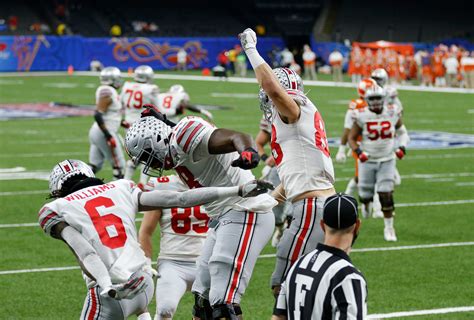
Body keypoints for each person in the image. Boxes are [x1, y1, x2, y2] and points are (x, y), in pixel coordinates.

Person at [39, 159, 268, 319]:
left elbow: (86, 254)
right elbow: (180, 198)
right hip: (144, 282)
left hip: (110, 294)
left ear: (58, 190)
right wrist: (237, 190)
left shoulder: (57, 208)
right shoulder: (121, 187)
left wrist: (107, 285)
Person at [125, 113, 277, 319]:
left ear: (160, 140)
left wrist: (248, 151)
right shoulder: (174, 144)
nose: (150, 164)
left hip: (246, 210)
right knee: (202, 301)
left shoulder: (186, 135)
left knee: (223, 303)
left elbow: (236, 136)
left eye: (148, 155)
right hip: (223, 217)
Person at [239, 28, 336, 298]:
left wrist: (251, 50)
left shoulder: (294, 109)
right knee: (311, 287)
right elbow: (298, 174)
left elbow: (271, 86)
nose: (266, 95)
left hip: (311, 208)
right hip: (319, 202)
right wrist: (268, 201)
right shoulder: (302, 116)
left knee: (283, 285)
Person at [272, 193, 367, 319]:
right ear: (357, 225)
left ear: (322, 225)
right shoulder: (348, 276)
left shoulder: (297, 265)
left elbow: (277, 317)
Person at [139, 175, 209, 320]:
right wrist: (145, 264)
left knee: (213, 312)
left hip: (207, 263)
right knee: (165, 309)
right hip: (173, 263)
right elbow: (145, 232)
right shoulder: (162, 186)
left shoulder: (214, 181)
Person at [348, 85, 409, 241]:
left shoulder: (392, 112)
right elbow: (352, 138)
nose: (375, 102)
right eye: (372, 99)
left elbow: (403, 133)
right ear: (367, 100)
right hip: (367, 160)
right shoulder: (361, 115)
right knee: (365, 195)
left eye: (378, 98)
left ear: (383, 99)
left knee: (386, 194)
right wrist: (359, 152)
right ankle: (366, 204)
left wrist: (402, 147)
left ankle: (389, 228)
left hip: (387, 159)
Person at [255, 115, 293, 247]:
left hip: (300, 166)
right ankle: (281, 226)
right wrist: (266, 158)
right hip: (279, 168)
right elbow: (258, 143)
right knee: (275, 210)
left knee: (299, 207)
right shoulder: (271, 117)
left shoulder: (303, 114)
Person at [120, 65, 160, 189]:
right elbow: (157, 109)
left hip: (128, 124)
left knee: (136, 155)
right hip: (143, 126)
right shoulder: (151, 88)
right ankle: (142, 182)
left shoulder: (127, 86)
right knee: (150, 153)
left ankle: (126, 182)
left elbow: (121, 103)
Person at [335, 78, 377, 197]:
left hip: (373, 143)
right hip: (361, 145)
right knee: (362, 176)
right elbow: (348, 127)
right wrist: (342, 149)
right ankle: (349, 195)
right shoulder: (358, 106)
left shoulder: (375, 104)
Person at [89, 67, 126, 180]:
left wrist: (122, 123)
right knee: (119, 167)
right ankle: (118, 195)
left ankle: (76, 187)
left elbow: (109, 115)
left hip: (98, 131)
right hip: (104, 132)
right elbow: (98, 114)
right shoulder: (107, 91)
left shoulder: (109, 90)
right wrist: (108, 135)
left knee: (94, 166)